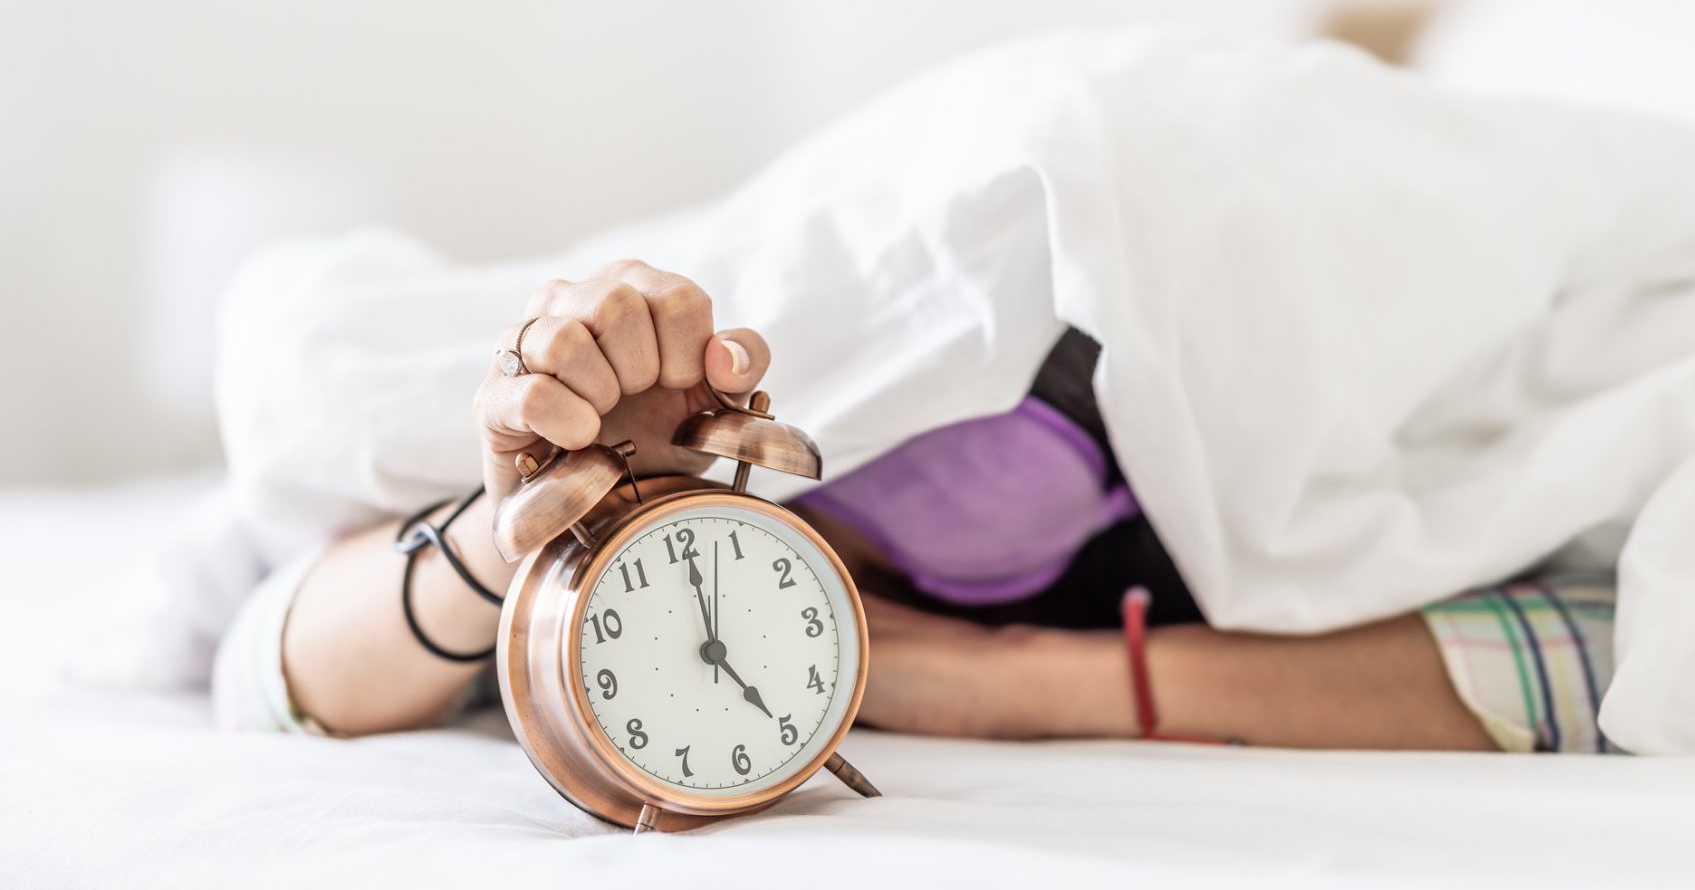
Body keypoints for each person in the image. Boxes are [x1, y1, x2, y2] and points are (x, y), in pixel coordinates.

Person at [216, 258, 1615, 755]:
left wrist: (996, 684)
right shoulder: (620, 602)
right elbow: (270, 658)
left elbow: (1616, 646)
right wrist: (517, 510)